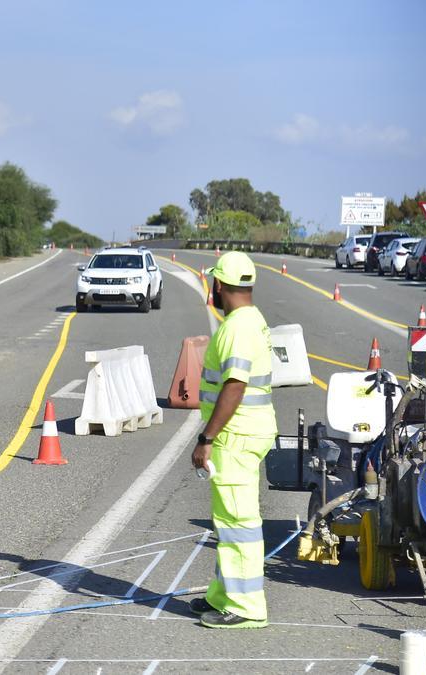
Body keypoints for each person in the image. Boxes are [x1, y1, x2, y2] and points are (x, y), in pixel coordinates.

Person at [190, 251, 276, 629]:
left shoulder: (239, 328)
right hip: (245, 431)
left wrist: (206, 437)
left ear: (220, 285)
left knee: (238, 522)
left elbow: (235, 386)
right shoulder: (251, 319)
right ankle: (223, 595)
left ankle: (246, 607)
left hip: (235, 435)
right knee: (228, 520)